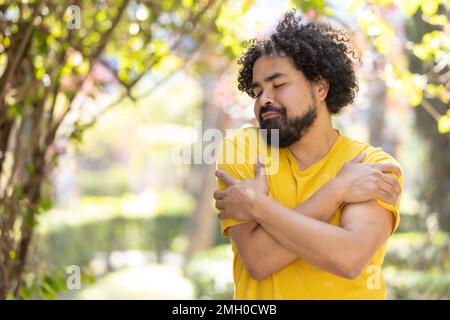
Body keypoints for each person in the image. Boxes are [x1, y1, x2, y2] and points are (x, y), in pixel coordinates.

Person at [213, 11, 404, 299]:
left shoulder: (373, 167)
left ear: (321, 87)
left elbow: (349, 258)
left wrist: (258, 207)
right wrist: (338, 190)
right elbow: (259, 260)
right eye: (257, 91)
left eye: (278, 85)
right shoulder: (244, 149)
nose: (264, 98)